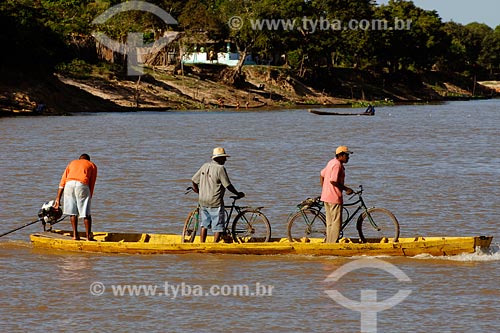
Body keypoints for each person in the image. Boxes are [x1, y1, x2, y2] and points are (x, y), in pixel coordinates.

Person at [191, 147, 245, 243]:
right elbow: (228, 185)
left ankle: (202, 243)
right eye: (224, 158)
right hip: (215, 201)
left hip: (203, 201)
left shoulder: (205, 166)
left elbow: (194, 180)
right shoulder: (220, 169)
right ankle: (215, 245)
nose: (225, 160)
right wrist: (238, 193)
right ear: (218, 158)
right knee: (218, 226)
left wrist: (198, 191)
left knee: (204, 225)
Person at [53, 154, 98, 240]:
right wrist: (89, 197)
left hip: (68, 185)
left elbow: (62, 182)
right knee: (86, 213)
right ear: (88, 160)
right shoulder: (92, 165)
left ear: (79, 159)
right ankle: (88, 237)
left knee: (72, 212)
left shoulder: (72, 163)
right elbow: (92, 183)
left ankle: (75, 235)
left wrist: (58, 199)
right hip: (82, 184)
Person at [320, 146, 353, 243]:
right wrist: (346, 189)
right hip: (334, 198)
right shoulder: (337, 165)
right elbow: (333, 181)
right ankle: (332, 244)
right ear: (341, 155)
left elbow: (322, 174)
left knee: (330, 223)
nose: (348, 157)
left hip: (326, 197)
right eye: (346, 155)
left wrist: (325, 189)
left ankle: (329, 243)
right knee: (336, 224)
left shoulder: (331, 162)